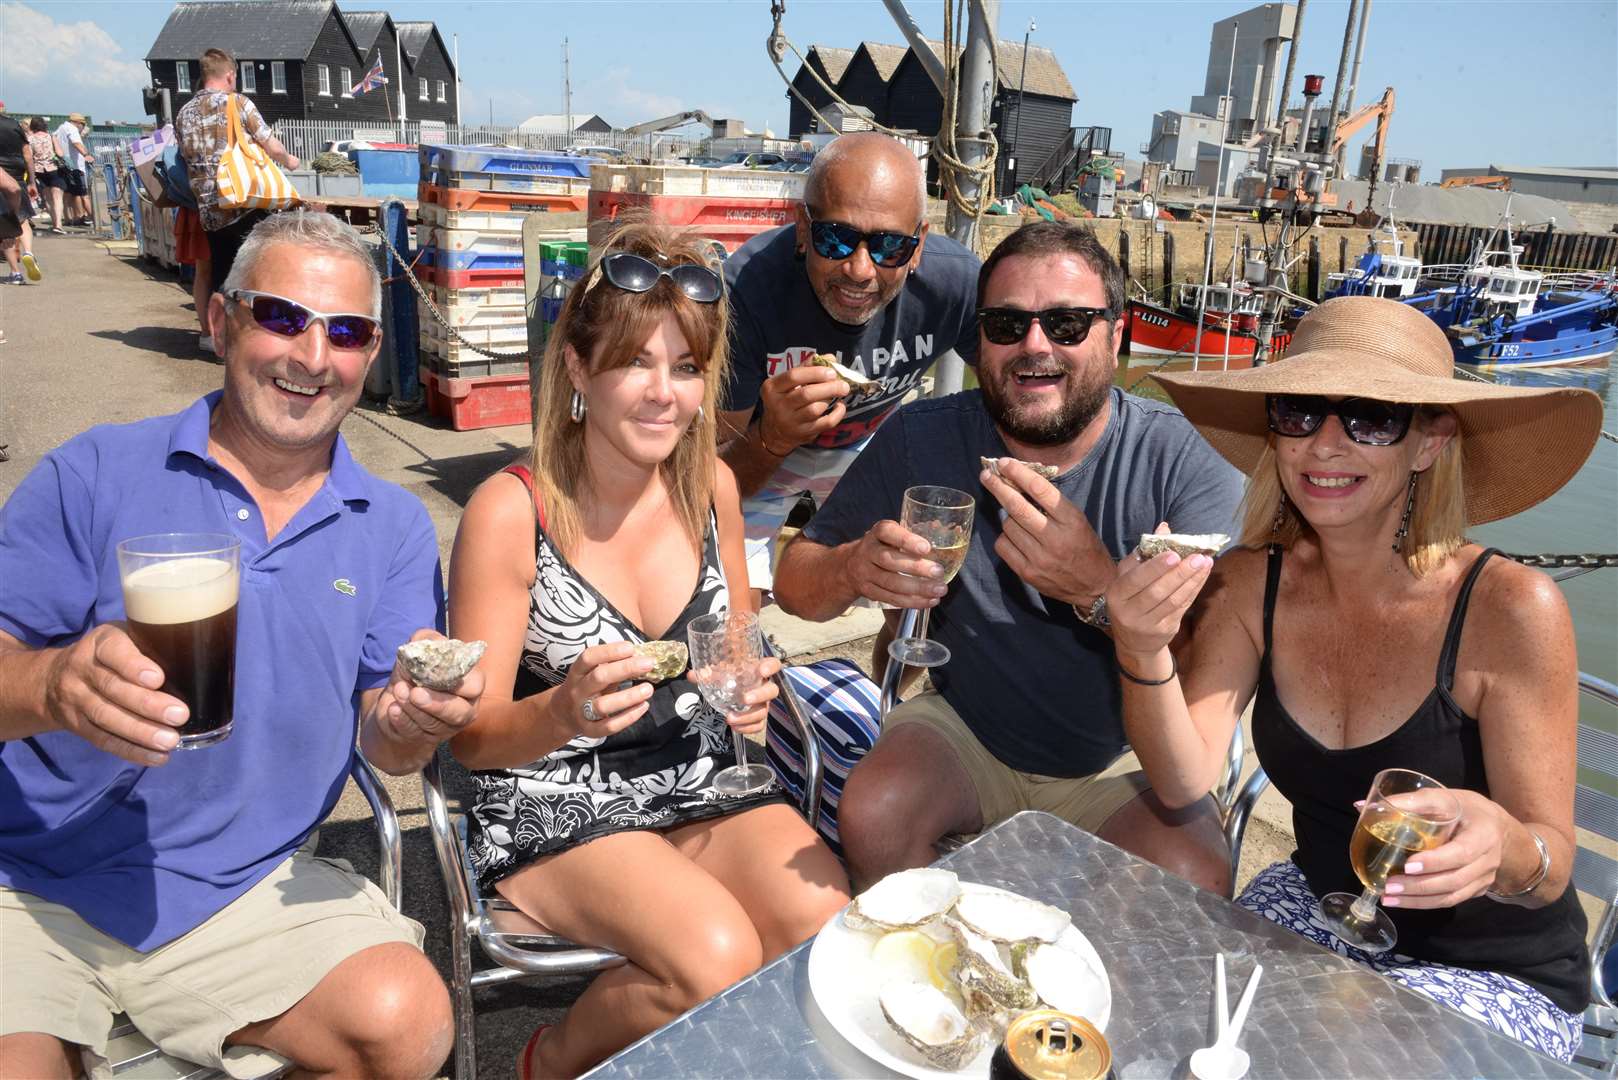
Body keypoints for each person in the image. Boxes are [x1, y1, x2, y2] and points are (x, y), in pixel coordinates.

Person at [0, 211, 478, 1079]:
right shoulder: (96, 472)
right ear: (220, 321)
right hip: (28, 880)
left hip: (241, 887)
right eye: (282, 317)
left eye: (346, 332)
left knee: (406, 1022)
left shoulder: (396, 528)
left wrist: (414, 723)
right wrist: (52, 684)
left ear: (371, 356)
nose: (311, 356)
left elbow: (386, 734)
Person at [1112, 296, 1601, 1060]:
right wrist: (1142, 650)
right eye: (1300, 412)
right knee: (1166, 1027)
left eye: (1371, 417)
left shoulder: (1511, 609)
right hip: (1318, 903)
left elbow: (1548, 869)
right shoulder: (1249, 583)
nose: (1325, 445)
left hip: (1496, 971)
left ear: (1430, 443)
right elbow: (1182, 782)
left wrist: (1503, 842)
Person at [447, 218, 850, 1079]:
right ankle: (547, 1064)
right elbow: (471, 740)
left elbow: (737, 650)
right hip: (555, 799)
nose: (664, 393)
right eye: (636, 362)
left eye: (687, 367)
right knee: (715, 953)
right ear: (578, 370)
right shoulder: (510, 513)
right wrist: (563, 708)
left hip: (697, 779)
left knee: (828, 931)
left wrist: (751, 690)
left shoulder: (713, 489)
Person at [773, 220, 1246, 892]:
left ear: (1117, 336)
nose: (1034, 346)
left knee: (1195, 872)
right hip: (967, 730)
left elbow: (1212, 668)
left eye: (1068, 324)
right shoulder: (923, 436)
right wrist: (854, 568)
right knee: (874, 809)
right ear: (979, 342)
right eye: (1005, 325)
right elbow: (795, 584)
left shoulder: (1189, 461)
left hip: (1125, 762)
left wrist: (1097, 589)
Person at [717, 132, 981, 598]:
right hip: (759, 446)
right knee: (731, 596)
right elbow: (715, 479)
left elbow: (1017, 401)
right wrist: (772, 438)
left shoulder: (956, 285)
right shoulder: (744, 291)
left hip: (870, 443)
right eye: (835, 239)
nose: (860, 270)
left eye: (890, 247)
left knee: (922, 582)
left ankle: (896, 666)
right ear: (803, 228)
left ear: (919, 244)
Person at [176, 49, 300, 300]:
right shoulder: (238, 103)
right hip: (242, 203)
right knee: (257, 274)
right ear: (230, 76)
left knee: (222, 276)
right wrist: (290, 160)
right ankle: (251, 333)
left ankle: (222, 333)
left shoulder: (183, 114)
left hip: (209, 211)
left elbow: (183, 156)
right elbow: (271, 145)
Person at [0, 103, 38, 284]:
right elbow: (28, 155)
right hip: (17, 173)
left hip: (1, 176)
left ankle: (15, 273)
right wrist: (32, 181)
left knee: (6, 224)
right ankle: (28, 252)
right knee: (22, 219)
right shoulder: (15, 125)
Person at [52, 113, 94, 225]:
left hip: (64, 165)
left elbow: (53, 138)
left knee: (69, 194)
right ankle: (92, 218)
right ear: (79, 123)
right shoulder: (72, 129)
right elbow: (76, 143)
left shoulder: (61, 128)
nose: (83, 128)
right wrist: (86, 155)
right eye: (83, 125)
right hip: (76, 166)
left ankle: (70, 217)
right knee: (83, 194)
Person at [26, 117, 65, 234]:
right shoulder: (51, 136)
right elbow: (60, 153)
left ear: (32, 126)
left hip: (38, 171)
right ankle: (58, 225)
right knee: (57, 198)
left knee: (48, 198)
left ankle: (54, 224)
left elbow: (29, 158)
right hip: (53, 169)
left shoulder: (30, 139)